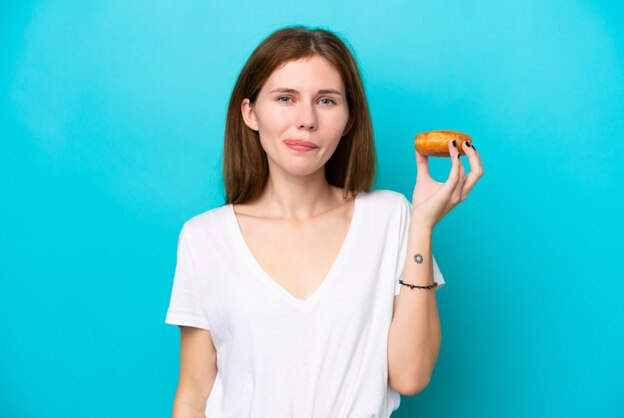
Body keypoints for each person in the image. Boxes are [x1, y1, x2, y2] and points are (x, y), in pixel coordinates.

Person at [165, 25, 483, 418]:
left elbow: (411, 376)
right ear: (250, 112)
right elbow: (194, 396)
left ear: (349, 119)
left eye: (327, 101)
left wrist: (422, 227)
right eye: (285, 98)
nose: (306, 120)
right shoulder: (204, 238)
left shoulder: (391, 216)